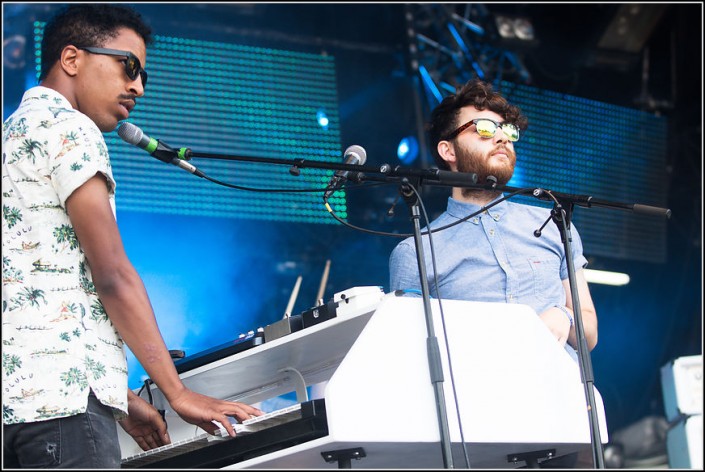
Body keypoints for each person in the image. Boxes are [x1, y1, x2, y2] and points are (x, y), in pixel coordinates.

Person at [2, 5, 262, 468]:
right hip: (63, 411)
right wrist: (177, 392)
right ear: (72, 59)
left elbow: (30, 301)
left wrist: (118, 397)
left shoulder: (12, 135)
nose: (138, 86)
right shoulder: (71, 128)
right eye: (129, 66)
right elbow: (113, 276)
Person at [388, 79, 598, 466]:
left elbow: (589, 330)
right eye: (483, 129)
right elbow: (410, 358)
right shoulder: (414, 250)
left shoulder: (554, 223)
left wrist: (563, 316)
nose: (501, 138)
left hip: (564, 415)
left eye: (507, 131)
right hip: (478, 428)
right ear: (447, 150)